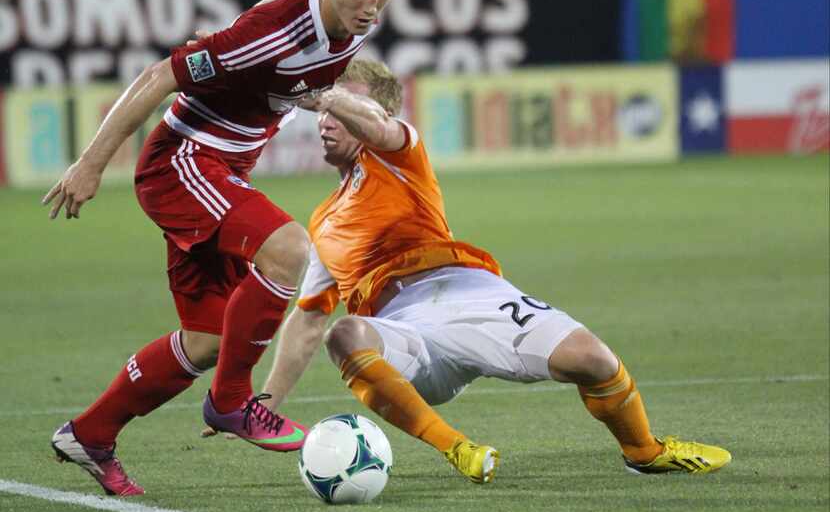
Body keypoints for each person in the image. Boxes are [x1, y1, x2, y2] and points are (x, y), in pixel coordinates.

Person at [43, 0, 409, 497]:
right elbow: (161, 76)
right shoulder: (277, 32)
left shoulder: (338, 25)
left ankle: (90, 433)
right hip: (182, 162)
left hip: (220, 169)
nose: (371, 7)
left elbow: (273, 6)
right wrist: (91, 164)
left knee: (213, 338)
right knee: (291, 250)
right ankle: (234, 403)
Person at [227, 59, 732, 484]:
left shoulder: (399, 152)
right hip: (404, 331)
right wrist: (262, 403)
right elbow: (308, 320)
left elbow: (378, 128)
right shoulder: (322, 220)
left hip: (472, 294)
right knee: (345, 332)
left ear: (374, 112)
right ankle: (458, 448)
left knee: (593, 360)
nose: (327, 117)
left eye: (343, 105)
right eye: (325, 108)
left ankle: (644, 451)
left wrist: (323, 92)